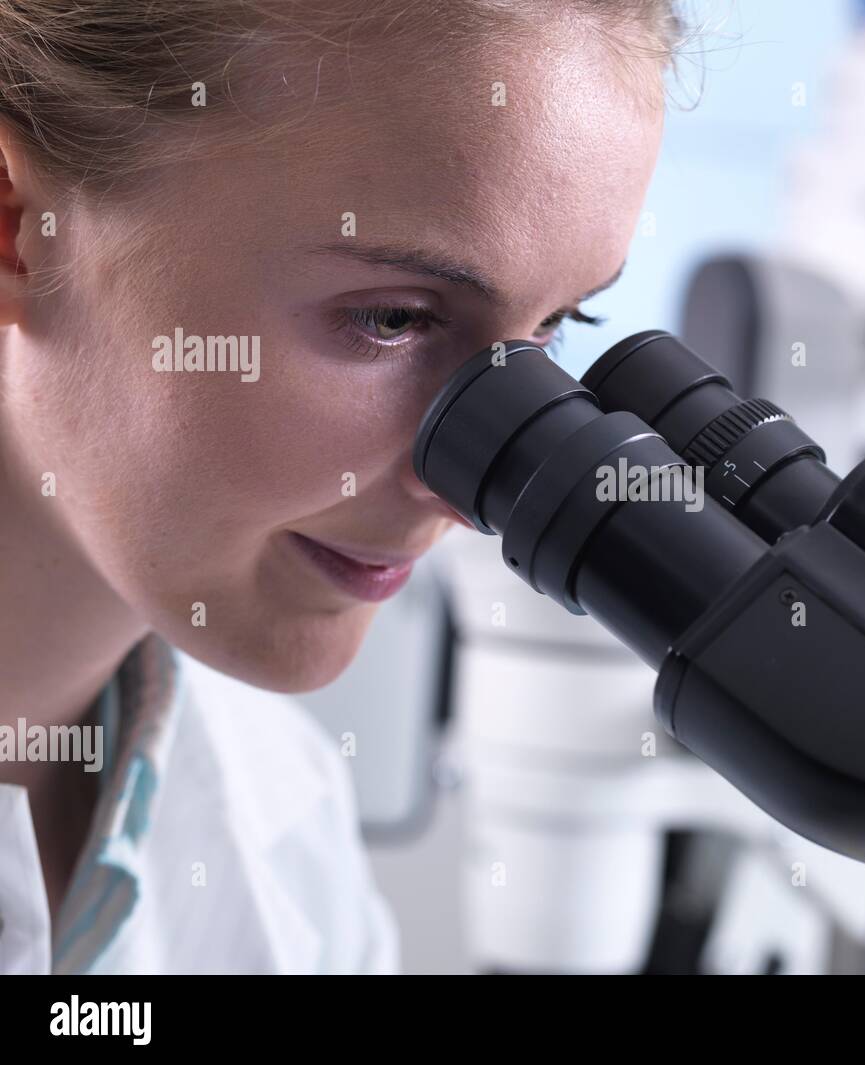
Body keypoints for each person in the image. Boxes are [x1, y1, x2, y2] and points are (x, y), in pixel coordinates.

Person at [0, 0, 681, 974]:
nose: (471, 495)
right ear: (18, 225)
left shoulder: (296, 829)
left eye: (555, 328)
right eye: (394, 321)